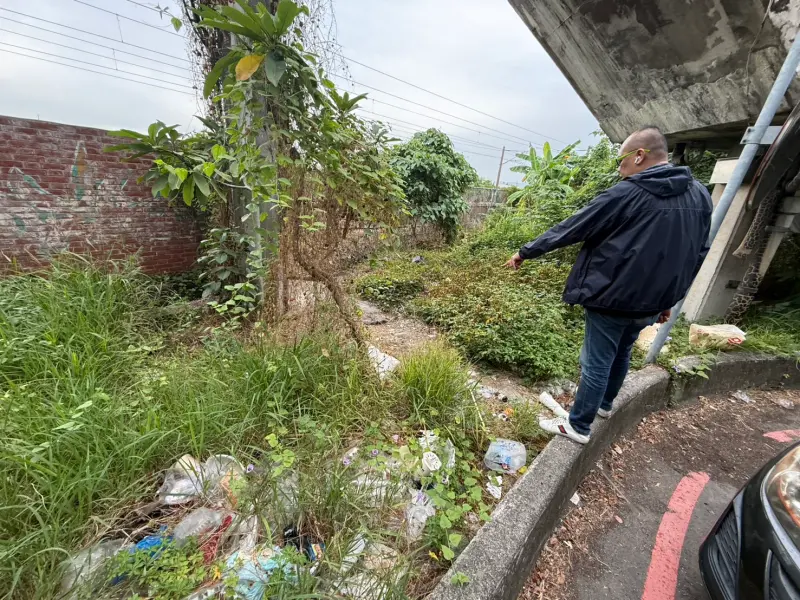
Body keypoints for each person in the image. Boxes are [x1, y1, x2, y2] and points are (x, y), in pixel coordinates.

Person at [505, 126, 712, 444]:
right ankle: (602, 406)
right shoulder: (699, 195)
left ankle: (578, 425)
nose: (620, 170)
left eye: (622, 161)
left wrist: (526, 251)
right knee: (622, 351)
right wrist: (670, 299)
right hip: (654, 302)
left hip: (613, 295)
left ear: (639, 156)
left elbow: (573, 227)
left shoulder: (627, 193)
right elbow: (696, 253)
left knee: (596, 361)